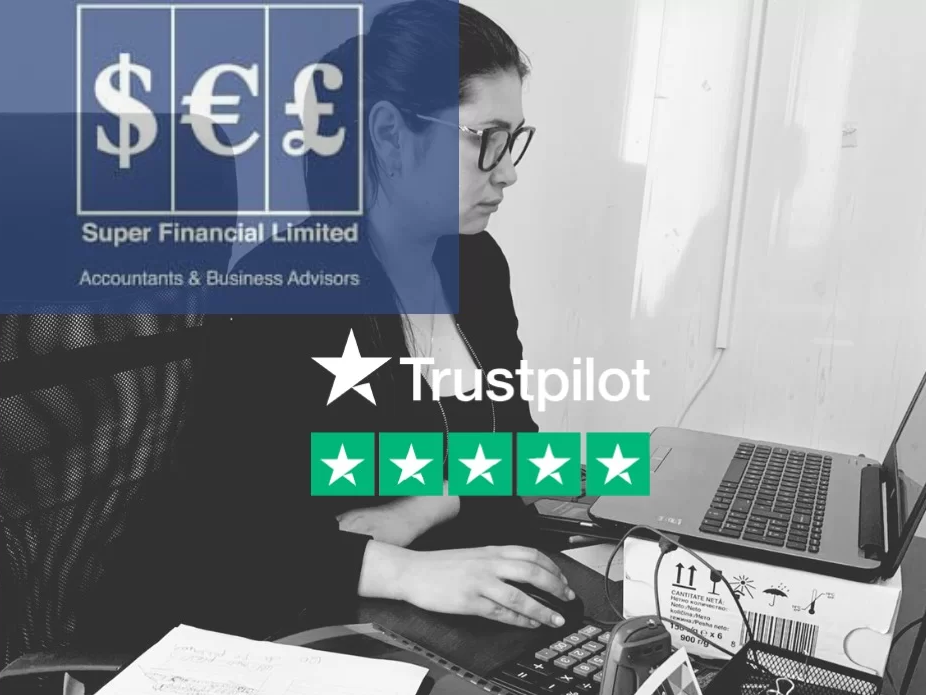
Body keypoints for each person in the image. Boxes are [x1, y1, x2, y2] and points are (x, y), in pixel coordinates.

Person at [92, 0, 577, 652]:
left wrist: (424, 506)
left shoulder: (479, 265)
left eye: (513, 140)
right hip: (258, 636)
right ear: (389, 135)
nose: (509, 170)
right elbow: (228, 534)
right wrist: (401, 570)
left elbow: (515, 447)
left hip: (405, 616)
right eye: (486, 138)